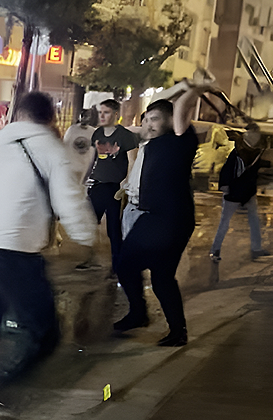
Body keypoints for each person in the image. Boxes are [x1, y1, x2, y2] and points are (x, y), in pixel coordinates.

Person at [0, 92, 96, 419]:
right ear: (50, 118)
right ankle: (0, 388)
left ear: (18, 114)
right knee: (45, 330)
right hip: (15, 251)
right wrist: (86, 237)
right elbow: (69, 200)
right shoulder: (53, 150)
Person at [114, 77, 216, 347]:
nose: (148, 123)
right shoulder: (153, 141)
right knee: (161, 276)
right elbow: (159, 101)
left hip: (167, 218)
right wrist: (185, 84)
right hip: (167, 217)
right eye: (147, 119)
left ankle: (139, 314)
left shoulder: (181, 139)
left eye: (155, 119)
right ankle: (176, 331)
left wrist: (197, 88)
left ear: (171, 122)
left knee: (126, 264)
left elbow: (181, 104)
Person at [76, 99, 138, 275]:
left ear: (116, 115)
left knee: (113, 229)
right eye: (101, 112)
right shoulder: (97, 134)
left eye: (107, 112)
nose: (102, 116)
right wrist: (83, 179)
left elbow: (133, 160)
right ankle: (89, 259)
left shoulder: (125, 136)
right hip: (97, 185)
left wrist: (125, 183)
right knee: (90, 223)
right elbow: (91, 158)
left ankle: (117, 264)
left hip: (114, 188)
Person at [210, 123, 271, 262]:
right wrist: (226, 187)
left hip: (245, 192)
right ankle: (215, 249)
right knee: (228, 222)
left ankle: (254, 249)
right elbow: (228, 171)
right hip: (238, 192)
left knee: (248, 221)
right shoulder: (240, 154)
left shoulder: (250, 153)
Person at [62, 108, 98, 186]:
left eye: (87, 116)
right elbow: (66, 146)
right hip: (72, 162)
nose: (85, 118)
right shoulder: (72, 129)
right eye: (83, 116)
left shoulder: (92, 132)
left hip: (85, 162)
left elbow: (94, 151)